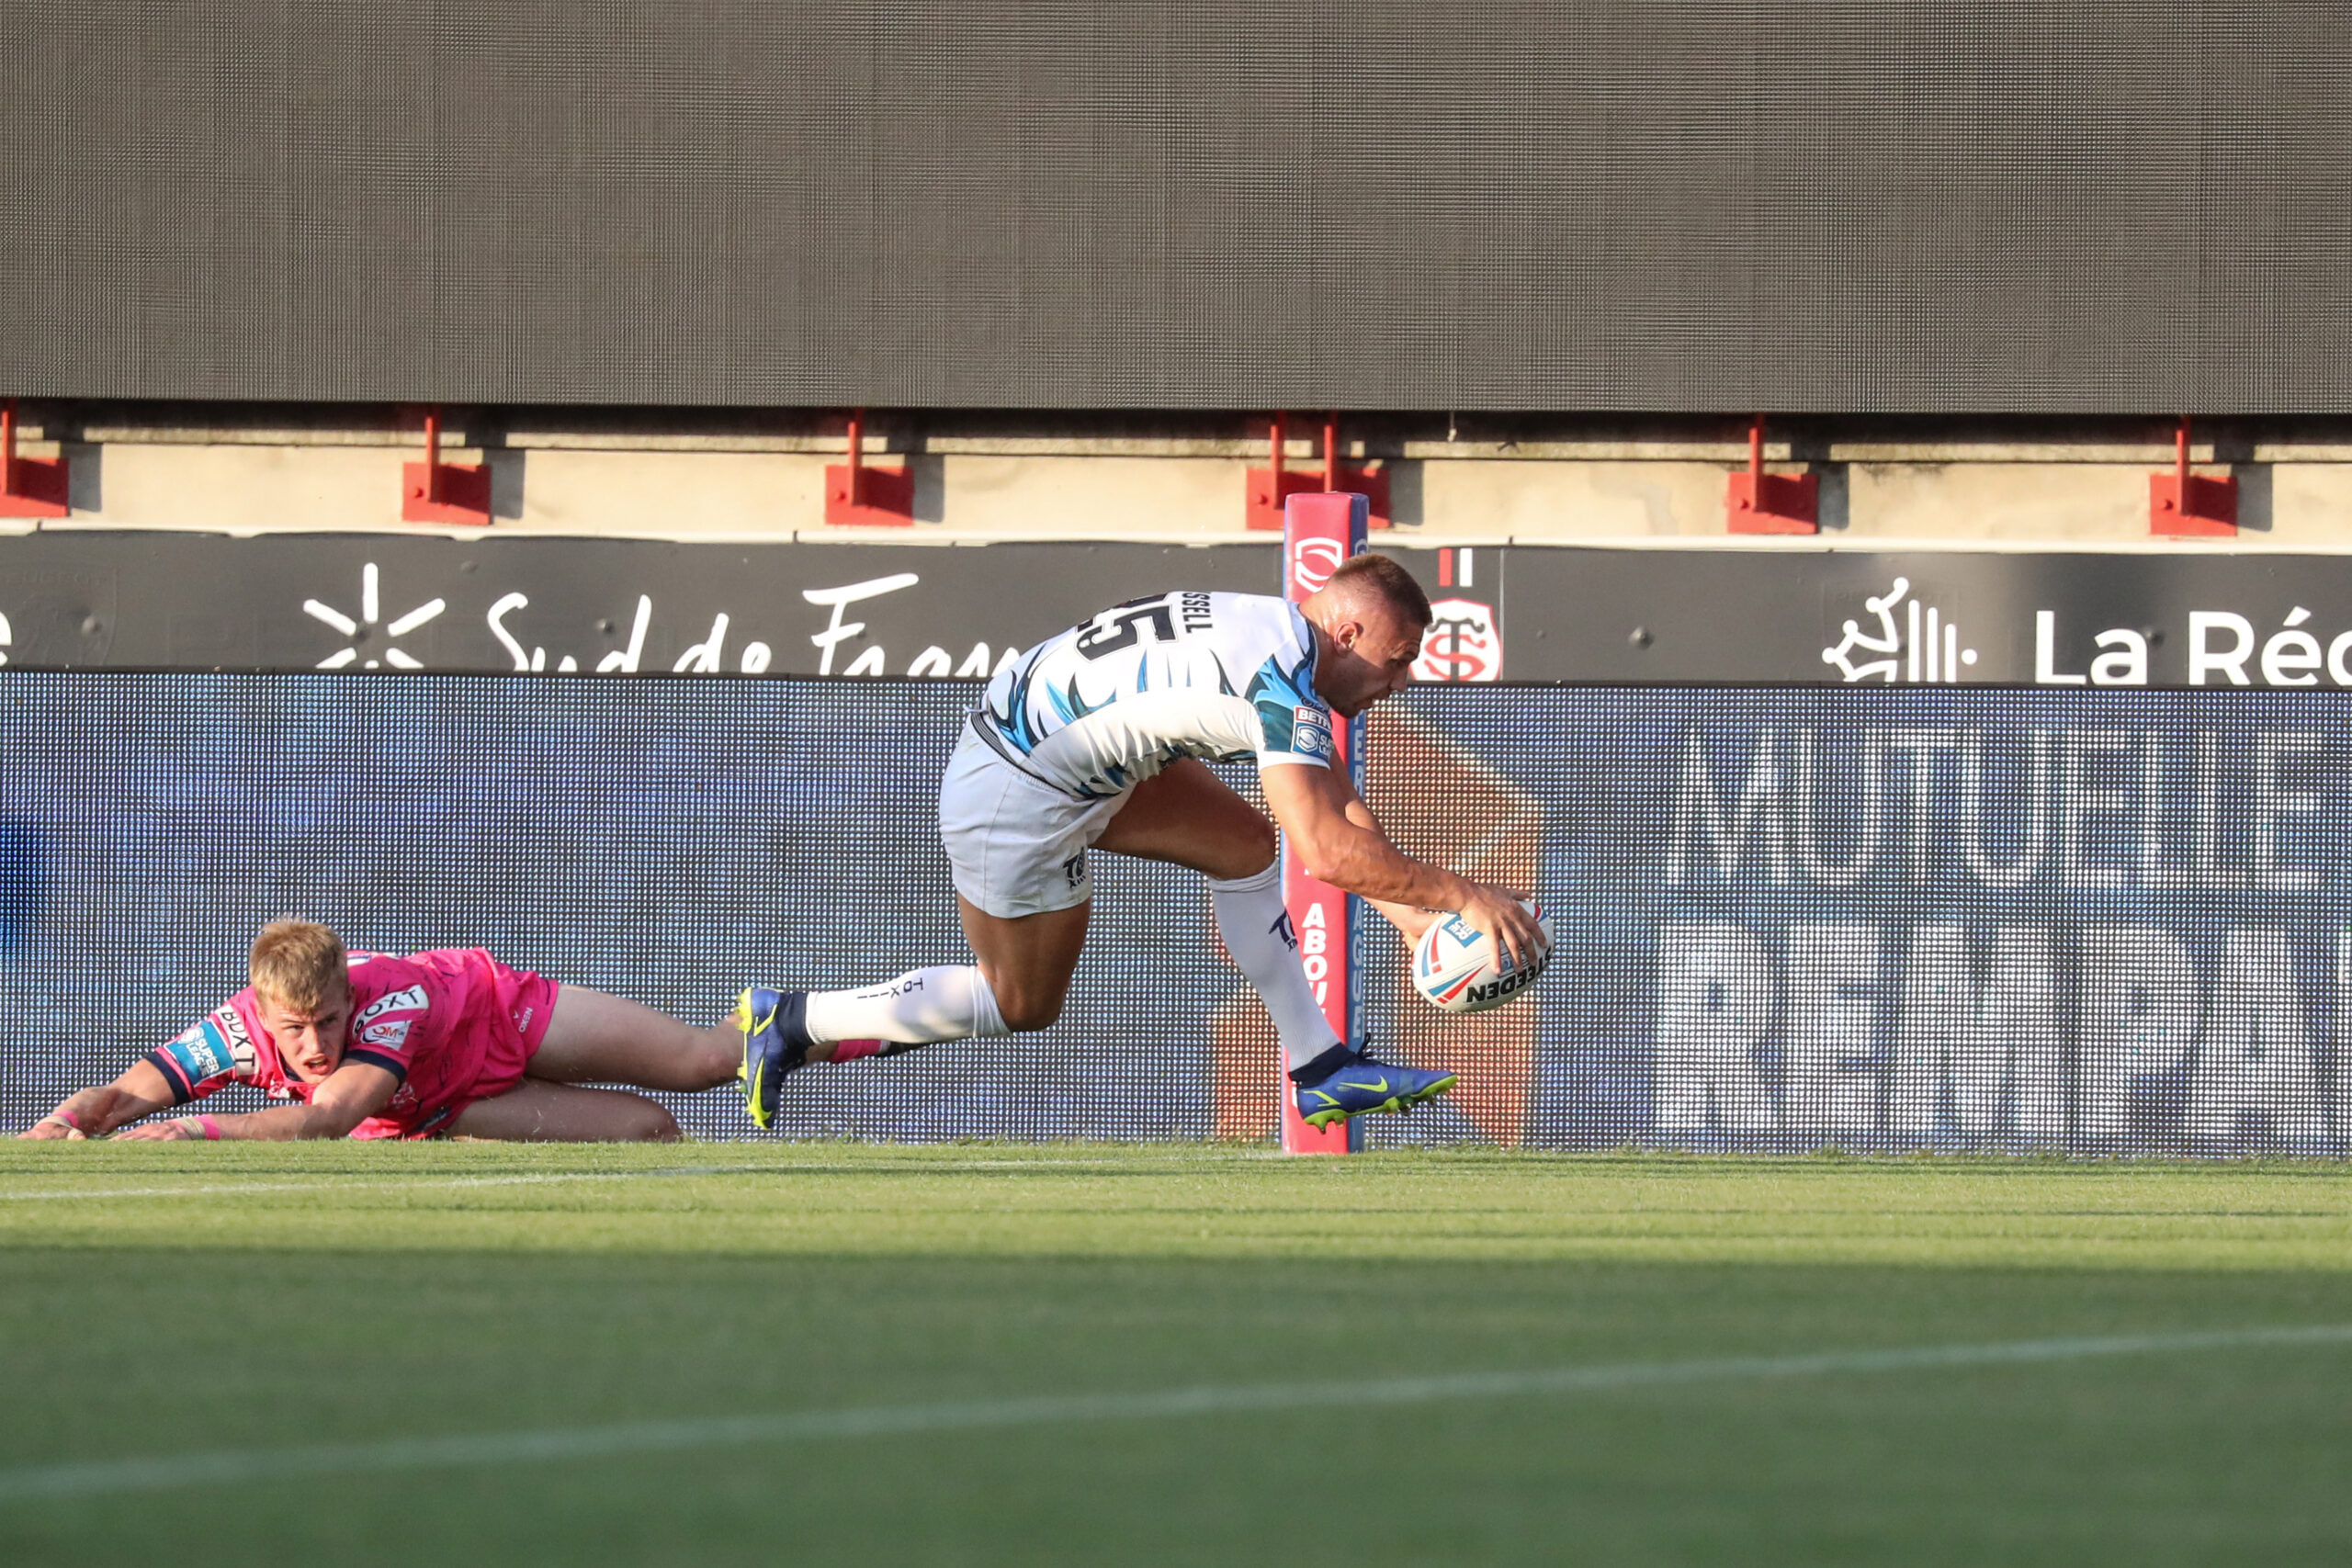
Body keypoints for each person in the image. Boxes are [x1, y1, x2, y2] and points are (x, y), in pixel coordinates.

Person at [734, 555, 1546, 1132]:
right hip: (1016, 794)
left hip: (1066, 762)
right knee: (1022, 1004)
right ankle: (797, 1019)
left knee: (1246, 845)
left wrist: (1417, 924)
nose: (1399, 682)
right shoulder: (1279, 680)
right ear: (1349, 627)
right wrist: (1462, 895)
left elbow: (1336, 807)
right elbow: (1328, 850)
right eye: (1396, 660)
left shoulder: (1279, 633)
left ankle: (1320, 1070)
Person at [19, 919, 745, 1142]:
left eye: (329, 1020)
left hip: (498, 1018)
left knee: (709, 1060)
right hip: (447, 1104)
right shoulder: (231, 1030)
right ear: (261, 1011)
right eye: (294, 1029)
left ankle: (853, 1020)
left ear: (347, 994)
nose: (314, 1045)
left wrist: (201, 1131)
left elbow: (331, 1115)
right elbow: (121, 1097)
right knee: (650, 1129)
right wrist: (65, 1121)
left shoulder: (388, 1001)